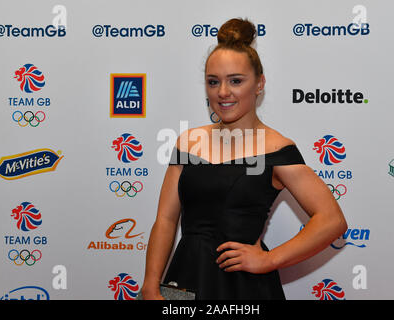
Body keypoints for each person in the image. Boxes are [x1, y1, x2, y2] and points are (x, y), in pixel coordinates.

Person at [140, 18, 347, 300]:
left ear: (259, 84)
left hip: (244, 288)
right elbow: (165, 219)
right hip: (185, 279)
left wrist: (270, 259)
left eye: (236, 81)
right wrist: (151, 284)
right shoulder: (188, 142)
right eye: (213, 82)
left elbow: (332, 220)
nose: (223, 92)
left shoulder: (277, 148)